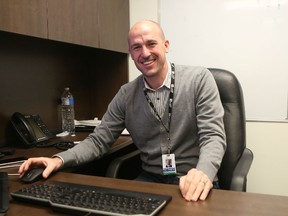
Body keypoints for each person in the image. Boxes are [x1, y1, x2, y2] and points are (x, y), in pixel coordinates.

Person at [19, 20, 226, 202]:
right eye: (137, 47)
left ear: (166, 45)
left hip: (193, 178)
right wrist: (58, 160)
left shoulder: (199, 79)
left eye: (151, 44)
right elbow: (98, 141)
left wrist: (203, 173)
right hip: (151, 180)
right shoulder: (126, 94)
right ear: (131, 54)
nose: (145, 53)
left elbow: (213, 136)